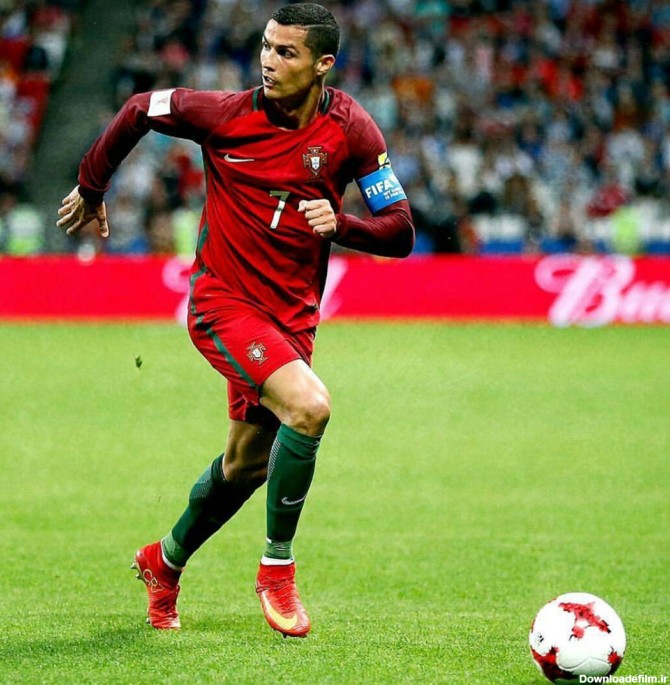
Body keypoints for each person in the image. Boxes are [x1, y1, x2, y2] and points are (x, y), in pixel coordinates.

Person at [56, 3, 414, 637]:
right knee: (309, 407)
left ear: (323, 64)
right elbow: (139, 108)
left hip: (291, 319)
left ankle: (163, 561)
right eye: (267, 47)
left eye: (287, 52)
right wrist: (92, 186)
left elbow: (401, 230)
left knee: (246, 465)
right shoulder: (223, 115)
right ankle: (277, 570)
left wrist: (343, 225)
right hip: (222, 304)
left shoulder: (352, 129)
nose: (269, 62)